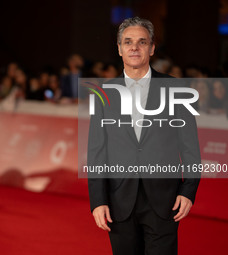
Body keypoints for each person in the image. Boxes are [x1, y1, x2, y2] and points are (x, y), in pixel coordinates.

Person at [87, 17, 201, 255]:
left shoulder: (177, 90)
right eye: (128, 42)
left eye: (142, 42)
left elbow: (190, 147)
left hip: (165, 200)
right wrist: (98, 200)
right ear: (119, 49)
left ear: (151, 47)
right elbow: (96, 152)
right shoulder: (102, 94)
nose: (134, 47)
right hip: (119, 201)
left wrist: (188, 190)